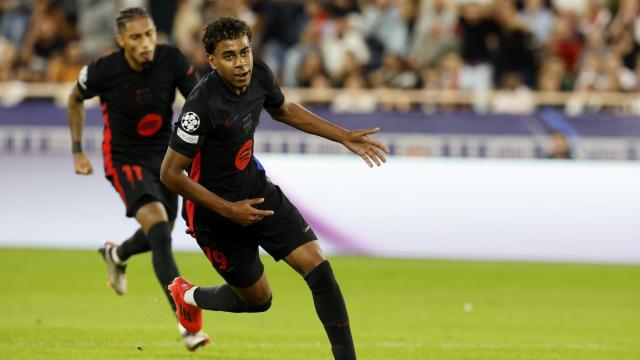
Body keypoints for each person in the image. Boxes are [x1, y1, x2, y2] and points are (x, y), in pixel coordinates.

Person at [160, 17, 388, 360]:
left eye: (245, 52)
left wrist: (342, 135)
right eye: (229, 56)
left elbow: (284, 110)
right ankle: (188, 297)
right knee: (258, 301)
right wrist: (229, 209)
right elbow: (171, 174)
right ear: (211, 60)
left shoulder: (260, 75)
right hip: (214, 215)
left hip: (256, 190)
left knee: (318, 267)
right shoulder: (201, 105)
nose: (241, 63)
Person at [66, 7, 209, 351]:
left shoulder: (171, 59)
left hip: (165, 158)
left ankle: (117, 256)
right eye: (136, 37)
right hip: (124, 158)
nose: (145, 43)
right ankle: (186, 323)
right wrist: (77, 151)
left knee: (160, 232)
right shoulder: (103, 69)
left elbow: (199, 101)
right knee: (160, 231)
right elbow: (74, 97)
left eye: (149, 34)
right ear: (120, 41)